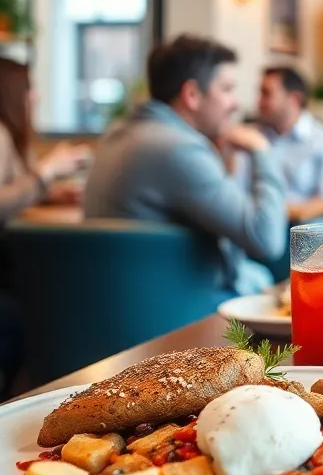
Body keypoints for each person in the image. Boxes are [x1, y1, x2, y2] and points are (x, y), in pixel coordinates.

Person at [84, 35, 285, 296]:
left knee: (258, 277)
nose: (235, 103)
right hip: (176, 312)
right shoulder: (178, 148)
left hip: (125, 300)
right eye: (227, 89)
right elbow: (267, 239)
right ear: (191, 94)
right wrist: (262, 151)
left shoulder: (117, 134)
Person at [0, 56, 89, 232]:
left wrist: (46, 194)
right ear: (7, 92)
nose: (36, 97)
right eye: (28, 88)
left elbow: (2, 193)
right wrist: (46, 171)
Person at [251, 66, 323, 223]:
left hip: (308, 236)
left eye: (266, 94)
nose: (259, 102)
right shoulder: (253, 137)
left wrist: (270, 211)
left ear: (294, 99)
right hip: (258, 231)